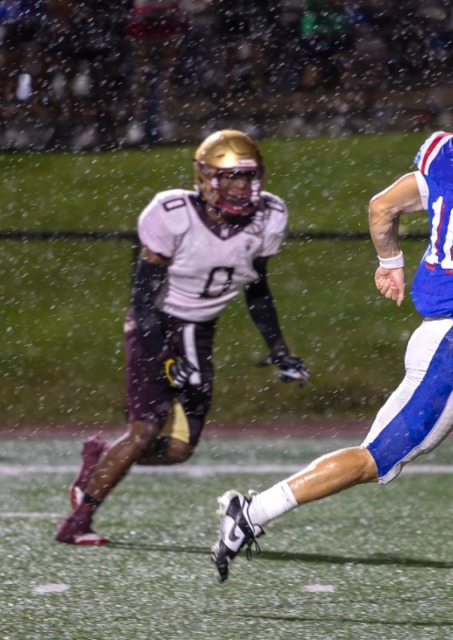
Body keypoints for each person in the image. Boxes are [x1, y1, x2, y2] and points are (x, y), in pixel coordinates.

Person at [210, 69, 453, 584]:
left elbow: (382, 206)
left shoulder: (443, 158)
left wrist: (390, 261)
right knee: (375, 459)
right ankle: (253, 512)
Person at [55, 130, 310, 545]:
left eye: (246, 177)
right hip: (154, 325)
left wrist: (279, 349)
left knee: (177, 450)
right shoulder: (171, 212)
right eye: (227, 177)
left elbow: (257, 289)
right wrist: (161, 355)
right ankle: (78, 522)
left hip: (200, 332)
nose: (238, 187)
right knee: (144, 430)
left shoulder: (269, 217)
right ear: (204, 177)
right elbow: (142, 300)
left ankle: (100, 462)